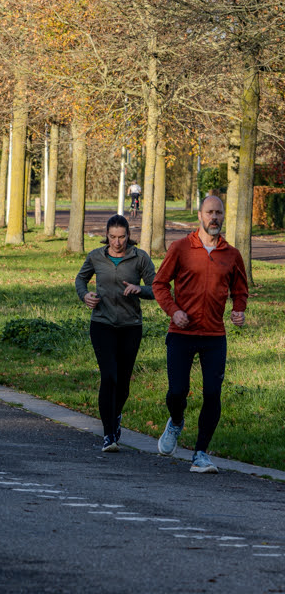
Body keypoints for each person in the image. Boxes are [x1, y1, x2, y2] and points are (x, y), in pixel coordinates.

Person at [153, 195, 248, 473]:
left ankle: (200, 453)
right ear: (200, 215)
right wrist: (173, 311)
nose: (214, 217)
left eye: (218, 212)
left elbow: (240, 289)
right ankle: (177, 420)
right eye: (210, 212)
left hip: (214, 336)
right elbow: (160, 284)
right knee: (177, 392)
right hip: (181, 332)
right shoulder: (181, 248)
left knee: (213, 393)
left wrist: (238, 310)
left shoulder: (232, 254)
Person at [75, 214, 157, 452]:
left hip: (130, 326)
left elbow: (158, 288)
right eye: (112, 237)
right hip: (102, 324)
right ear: (106, 235)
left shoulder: (139, 258)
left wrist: (139, 289)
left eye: (121, 237)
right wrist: (85, 295)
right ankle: (109, 434)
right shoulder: (96, 257)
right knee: (109, 376)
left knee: (122, 383)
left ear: (128, 236)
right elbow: (81, 280)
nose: (117, 242)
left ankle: (116, 416)